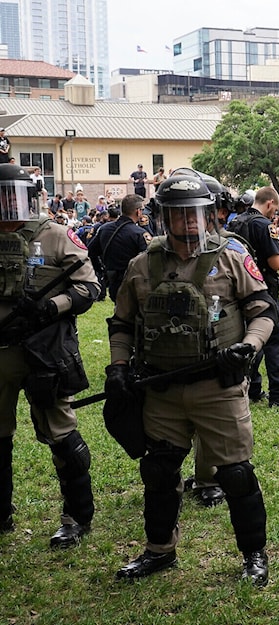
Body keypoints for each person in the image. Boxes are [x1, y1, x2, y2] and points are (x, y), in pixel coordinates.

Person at [107, 173, 277, 586]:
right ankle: (159, 551)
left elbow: (263, 312)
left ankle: (254, 555)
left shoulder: (232, 257)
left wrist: (249, 348)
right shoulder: (141, 265)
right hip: (161, 389)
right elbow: (122, 323)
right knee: (160, 473)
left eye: (195, 214)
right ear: (163, 217)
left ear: (209, 214)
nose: (187, 223)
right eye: (178, 215)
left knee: (236, 474)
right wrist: (117, 367)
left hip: (217, 388)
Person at [0, 163, 99, 548]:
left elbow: (90, 288)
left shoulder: (55, 236)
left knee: (61, 436)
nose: (9, 203)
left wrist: (51, 307)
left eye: (15, 194)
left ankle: (76, 517)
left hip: (44, 352)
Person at [227, 186, 279, 408]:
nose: (275, 214)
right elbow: (275, 263)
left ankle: (252, 388)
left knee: (248, 337)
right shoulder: (263, 225)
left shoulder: (236, 222)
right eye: (275, 209)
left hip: (239, 288)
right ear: (269, 203)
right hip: (263, 288)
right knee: (274, 340)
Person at [87, 194, 152, 302]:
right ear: (138, 211)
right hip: (135, 284)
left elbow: (90, 253)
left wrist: (100, 269)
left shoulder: (104, 229)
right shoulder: (139, 234)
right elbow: (150, 260)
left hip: (113, 282)